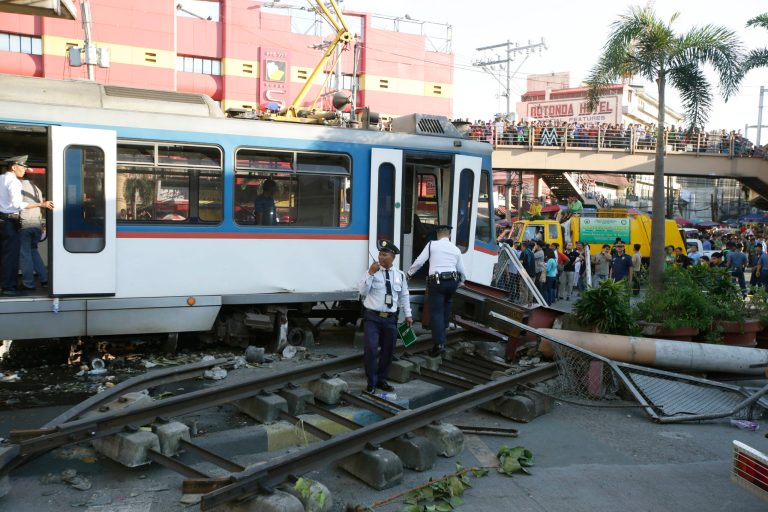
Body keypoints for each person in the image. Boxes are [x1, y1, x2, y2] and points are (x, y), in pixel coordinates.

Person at [359, 240, 413, 394]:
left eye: (385, 254)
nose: (381, 257)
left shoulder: (400, 275)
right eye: (380, 254)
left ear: (393, 257)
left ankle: (382, 379)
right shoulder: (371, 272)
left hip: (390, 319)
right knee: (371, 348)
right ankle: (371, 382)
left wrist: (408, 315)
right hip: (372, 317)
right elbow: (362, 292)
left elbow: (404, 295)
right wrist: (370, 273)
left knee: (388, 350)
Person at [407, 225, 465, 357]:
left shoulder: (432, 245)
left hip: (437, 283)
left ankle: (439, 345)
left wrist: (409, 274)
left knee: (437, 313)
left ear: (438, 234)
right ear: (449, 235)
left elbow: (419, 261)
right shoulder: (455, 249)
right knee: (445, 311)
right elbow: (462, 270)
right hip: (452, 282)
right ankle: (442, 340)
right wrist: (461, 283)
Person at [0, 156, 54, 296]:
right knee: (18, 255)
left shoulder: (1, 179)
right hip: (17, 221)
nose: (24, 169)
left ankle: (10, 284)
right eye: (22, 166)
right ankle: (11, 287)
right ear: (14, 167)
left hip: (6, 221)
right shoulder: (17, 183)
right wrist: (41, 204)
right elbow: (18, 205)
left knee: (8, 255)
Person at [19, 174, 48, 290]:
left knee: (24, 255)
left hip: (25, 223)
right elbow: (40, 208)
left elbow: (18, 205)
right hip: (36, 225)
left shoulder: (19, 186)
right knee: (33, 252)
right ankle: (44, 278)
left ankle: (28, 283)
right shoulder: (38, 189)